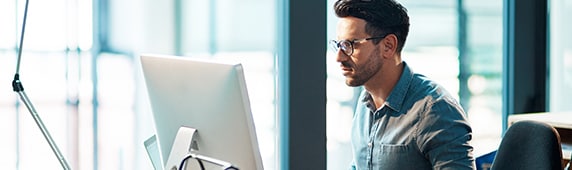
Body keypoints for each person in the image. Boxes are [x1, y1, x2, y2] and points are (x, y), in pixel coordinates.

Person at [330, 0, 475, 169]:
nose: (339, 57)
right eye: (339, 45)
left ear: (388, 46)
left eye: (350, 45)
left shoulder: (435, 110)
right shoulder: (365, 102)